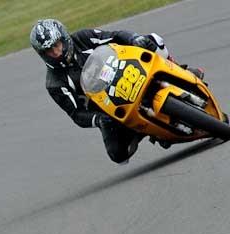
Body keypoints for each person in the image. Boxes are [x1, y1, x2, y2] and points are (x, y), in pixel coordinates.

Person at [29, 19, 205, 164]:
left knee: (153, 39)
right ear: (42, 54)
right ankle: (144, 130)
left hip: (128, 74)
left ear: (64, 37)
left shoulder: (83, 37)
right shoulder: (55, 83)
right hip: (111, 110)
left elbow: (114, 36)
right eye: (49, 51)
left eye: (57, 45)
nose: (56, 52)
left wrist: (135, 39)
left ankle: (181, 71)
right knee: (118, 155)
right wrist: (99, 120)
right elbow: (76, 114)